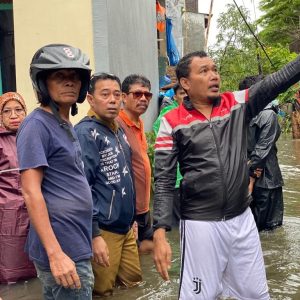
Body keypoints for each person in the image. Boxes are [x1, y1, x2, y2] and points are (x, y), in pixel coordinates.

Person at [152, 50, 300, 300]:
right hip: (200, 225)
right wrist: (159, 233)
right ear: (185, 83)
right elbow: (164, 180)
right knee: (199, 296)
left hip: (242, 219)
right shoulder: (171, 121)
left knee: (257, 295)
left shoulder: (236, 104)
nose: (214, 76)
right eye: (204, 71)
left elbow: (277, 80)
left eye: (215, 69)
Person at [16, 44, 94, 299]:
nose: (69, 83)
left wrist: (94, 235)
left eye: (75, 77)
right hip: (62, 248)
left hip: (75, 242)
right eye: (60, 76)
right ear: (43, 83)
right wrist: (56, 253)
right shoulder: (36, 125)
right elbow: (30, 191)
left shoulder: (63, 124)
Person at [75, 72, 142, 296]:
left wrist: (132, 218)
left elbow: (126, 176)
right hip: (104, 229)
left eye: (116, 94)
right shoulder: (86, 133)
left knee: (133, 286)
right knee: (102, 292)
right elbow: (83, 187)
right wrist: (94, 235)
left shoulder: (118, 129)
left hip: (126, 228)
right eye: (105, 94)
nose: (113, 100)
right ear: (90, 99)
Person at [239, 75, 284, 232]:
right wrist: (252, 173)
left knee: (252, 227)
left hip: (245, 175)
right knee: (271, 230)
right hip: (267, 179)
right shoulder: (268, 115)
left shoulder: (239, 115)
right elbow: (262, 149)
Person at [0, 92, 36, 283]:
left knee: (37, 264)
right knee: (11, 269)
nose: (14, 116)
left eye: (18, 110)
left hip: (36, 207)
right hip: (8, 214)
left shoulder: (33, 135)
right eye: (7, 111)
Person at [116, 74, 154, 254]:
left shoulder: (139, 122)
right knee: (132, 261)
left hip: (144, 207)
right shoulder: (116, 125)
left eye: (147, 95)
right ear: (124, 97)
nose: (143, 98)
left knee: (148, 252)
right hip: (128, 210)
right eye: (137, 94)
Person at [153, 83, 187, 226]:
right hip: (175, 179)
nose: (185, 96)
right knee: (177, 224)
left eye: (187, 92)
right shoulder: (167, 116)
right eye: (181, 93)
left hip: (194, 180)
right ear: (175, 97)